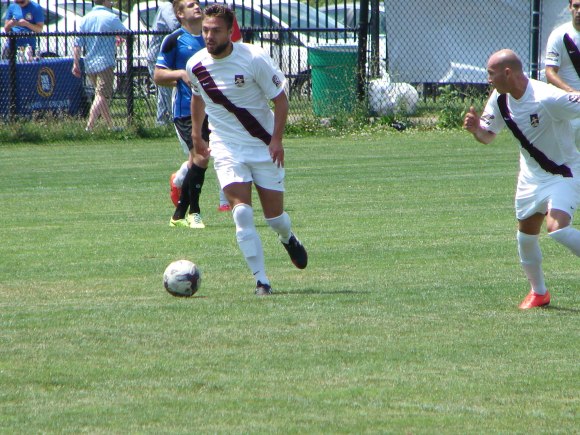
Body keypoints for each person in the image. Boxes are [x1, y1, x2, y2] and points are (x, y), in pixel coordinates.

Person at [186, 4, 308, 295]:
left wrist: (276, 140)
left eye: (216, 30)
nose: (209, 36)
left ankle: (288, 237)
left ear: (230, 31)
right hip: (227, 148)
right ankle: (261, 281)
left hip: (263, 146)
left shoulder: (254, 58)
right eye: (205, 30)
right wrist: (196, 135)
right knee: (241, 214)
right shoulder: (196, 65)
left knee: (275, 219)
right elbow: (198, 98)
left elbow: (280, 100)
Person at [464, 49, 580, 309]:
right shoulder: (499, 99)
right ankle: (539, 293)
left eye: (491, 73)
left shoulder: (546, 97)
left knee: (558, 228)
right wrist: (476, 130)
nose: (488, 79)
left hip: (564, 174)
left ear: (507, 73)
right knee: (526, 236)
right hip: (531, 178)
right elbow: (488, 136)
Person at [154, 0, 209, 229]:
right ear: (179, 13)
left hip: (213, 109)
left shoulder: (210, 37)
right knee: (201, 157)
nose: (197, 6)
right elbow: (158, 75)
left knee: (198, 160)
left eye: (197, 3)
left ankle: (178, 215)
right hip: (186, 110)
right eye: (190, 5)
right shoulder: (174, 39)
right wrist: (180, 74)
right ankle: (194, 213)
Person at [72, 0, 128, 131]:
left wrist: (76, 63)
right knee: (101, 96)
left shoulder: (85, 19)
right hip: (105, 62)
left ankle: (110, 126)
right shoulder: (111, 17)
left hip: (90, 63)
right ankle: (89, 127)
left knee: (101, 96)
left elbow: (77, 44)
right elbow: (127, 34)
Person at [545, 0, 580, 143]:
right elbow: (550, 72)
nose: (579, 11)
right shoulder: (559, 35)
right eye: (576, 6)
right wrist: (573, 93)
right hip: (568, 107)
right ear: (570, 7)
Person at [147, 0, 180, 127]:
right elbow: (174, 26)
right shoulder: (167, 7)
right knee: (167, 91)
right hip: (158, 57)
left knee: (163, 91)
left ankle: (161, 122)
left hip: (166, 56)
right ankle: (175, 121)